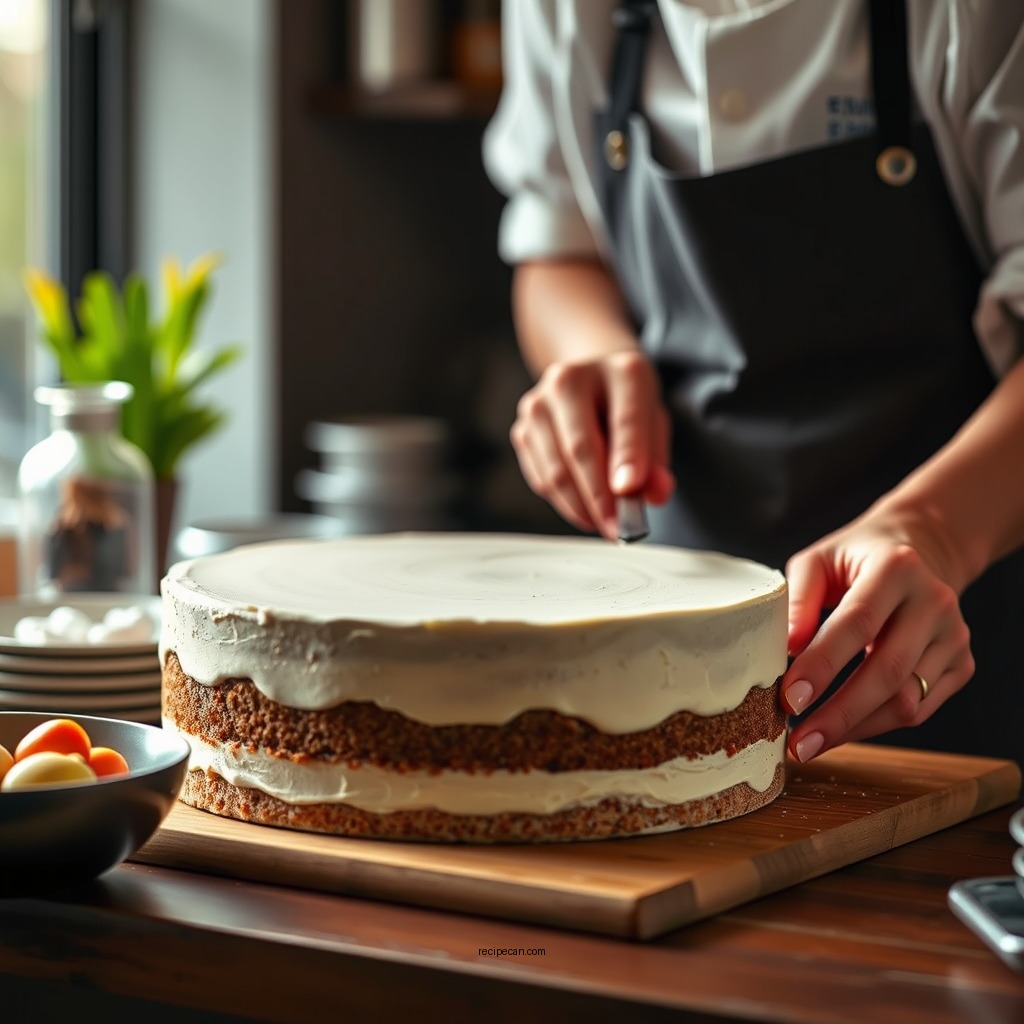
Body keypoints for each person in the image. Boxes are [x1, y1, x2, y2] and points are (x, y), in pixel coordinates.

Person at [481, 0, 1024, 765]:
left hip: (971, 660)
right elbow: (558, 245)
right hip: (663, 666)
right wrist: (593, 353)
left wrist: (934, 532)